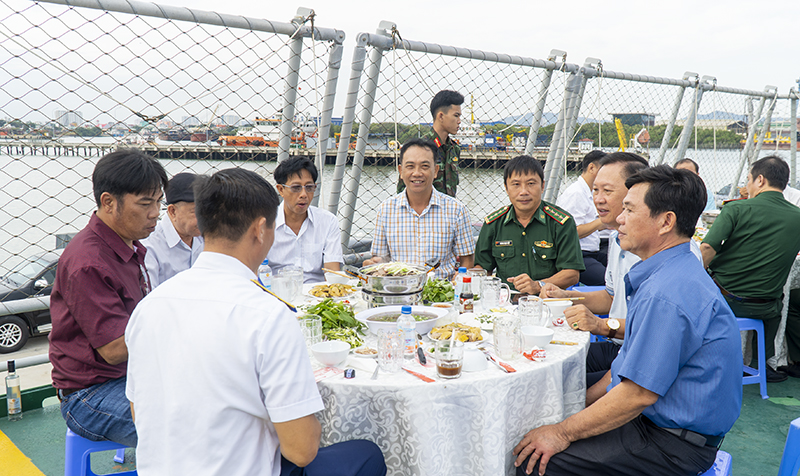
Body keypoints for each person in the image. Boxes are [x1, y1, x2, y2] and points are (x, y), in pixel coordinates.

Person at [125, 168, 386, 476]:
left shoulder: (148, 308)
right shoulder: (269, 315)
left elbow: (136, 409)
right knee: (367, 455)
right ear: (261, 229)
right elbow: (302, 450)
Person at [514, 165, 742, 476]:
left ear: (666, 221)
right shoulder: (675, 270)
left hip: (671, 445)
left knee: (534, 462)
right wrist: (572, 409)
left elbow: (637, 394)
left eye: (629, 210)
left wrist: (561, 431)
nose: (619, 219)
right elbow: (622, 373)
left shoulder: (667, 293)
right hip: (662, 426)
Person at [49, 148, 168, 446]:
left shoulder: (129, 245)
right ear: (108, 202)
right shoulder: (88, 261)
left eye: (158, 202)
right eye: (145, 203)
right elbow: (114, 349)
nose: (155, 213)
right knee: (184, 428)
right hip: (91, 393)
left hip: (133, 374)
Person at [542, 152, 648, 386]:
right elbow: (611, 297)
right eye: (595, 190)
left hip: (640, 357)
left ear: (636, 192)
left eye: (607, 191)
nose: (598, 199)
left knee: (559, 387)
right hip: (618, 346)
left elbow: (652, 336)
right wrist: (566, 297)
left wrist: (600, 325)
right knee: (544, 366)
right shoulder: (616, 238)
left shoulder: (655, 248)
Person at [701, 155, 800, 383]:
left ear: (760, 180)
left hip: (725, 300)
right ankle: (762, 364)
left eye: (748, 180)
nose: (746, 186)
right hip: (766, 308)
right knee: (781, 302)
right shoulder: (797, 216)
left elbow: (707, 247)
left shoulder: (736, 209)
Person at [473, 155, 584, 295]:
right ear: (506, 188)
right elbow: (483, 268)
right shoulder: (493, 223)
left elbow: (572, 274)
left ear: (542, 186)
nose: (524, 191)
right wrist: (468, 276)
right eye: (516, 184)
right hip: (504, 301)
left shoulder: (561, 223)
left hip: (547, 299)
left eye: (531, 183)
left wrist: (539, 285)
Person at [365, 138, 474, 279]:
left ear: (435, 171)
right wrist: (374, 265)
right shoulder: (386, 210)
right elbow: (380, 258)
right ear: (401, 171)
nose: (417, 173)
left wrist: (459, 279)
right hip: (399, 291)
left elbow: (467, 260)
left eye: (424, 166)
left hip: (441, 293)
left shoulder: (456, 210)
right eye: (410, 166)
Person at [267, 156, 342, 283]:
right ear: (281, 190)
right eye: (296, 188)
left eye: (309, 187)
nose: (303, 195)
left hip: (316, 295)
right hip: (276, 293)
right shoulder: (265, 223)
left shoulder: (328, 221)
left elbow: (332, 272)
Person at [396, 90, 463, 197]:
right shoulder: (419, 149)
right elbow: (402, 190)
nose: (459, 121)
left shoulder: (454, 149)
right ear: (441, 116)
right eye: (456, 115)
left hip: (448, 210)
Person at [142, 172, 203, 288]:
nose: (205, 218)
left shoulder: (208, 237)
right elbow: (149, 297)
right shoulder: (150, 247)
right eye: (196, 212)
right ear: (172, 211)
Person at [556, 150, 607, 286]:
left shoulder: (588, 192)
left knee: (622, 270)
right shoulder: (576, 193)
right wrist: (601, 222)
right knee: (608, 281)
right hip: (578, 255)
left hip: (593, 250)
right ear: (591, 168)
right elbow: (573, 232)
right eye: (604, 170)